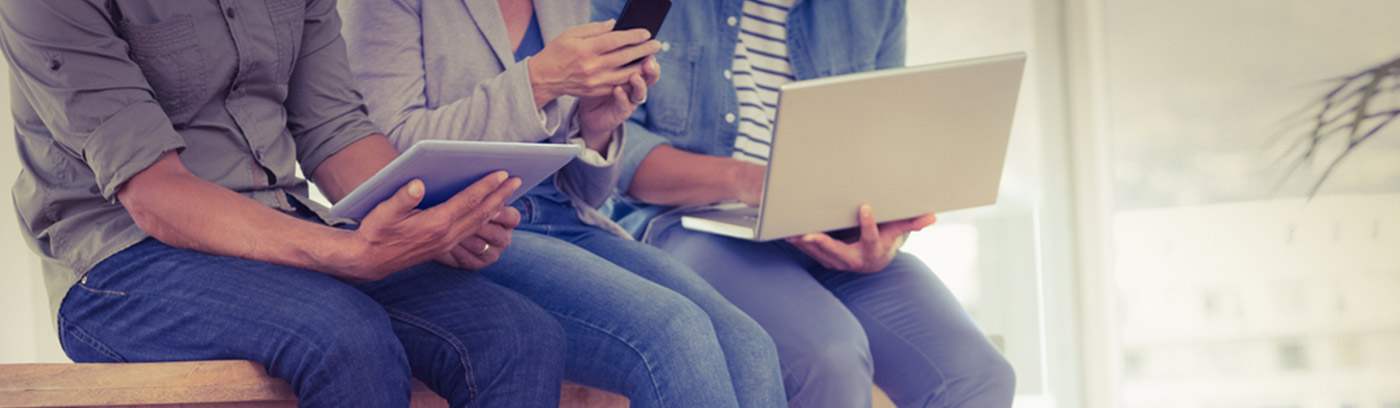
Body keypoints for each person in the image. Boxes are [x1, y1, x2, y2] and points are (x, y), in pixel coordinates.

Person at [0, 1, 567, 407]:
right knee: (342, 338)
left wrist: (429, 214)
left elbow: (334, 128)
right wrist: (345, 254)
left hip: (277, 226)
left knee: (518, 336)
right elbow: (155, 194)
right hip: (122, 260)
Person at [339, 1, 784, 407]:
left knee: (749, 345)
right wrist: (537, 81)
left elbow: (582, 192)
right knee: (673, 333)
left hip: (566, 222)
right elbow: (384, 153)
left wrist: (595, 126)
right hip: (474, 232)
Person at [592, 0, 1018, 406]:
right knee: (829, 357)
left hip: (831, 224)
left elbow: (885, 139)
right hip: (685, 224)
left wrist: (884, 239)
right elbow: (615, 152)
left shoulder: (877, 7)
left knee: (980, 375)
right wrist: (752, 180)